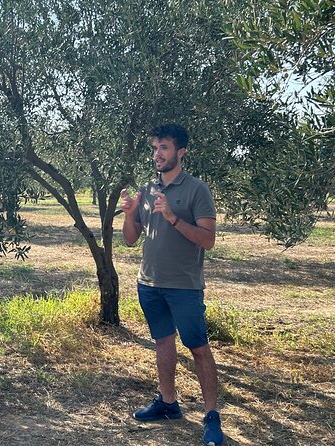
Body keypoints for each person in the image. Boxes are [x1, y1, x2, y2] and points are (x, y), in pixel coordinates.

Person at [120, 124, 224, 446]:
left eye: (164, 147)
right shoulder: (148, 189)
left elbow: (208, 241)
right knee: (163, 342)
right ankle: (168, 403)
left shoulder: (197, 190)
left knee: (198, 348)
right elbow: (130, 239)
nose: (157, 154)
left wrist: (174, 218)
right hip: (149, 283)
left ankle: (211, 416)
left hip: (184, 286)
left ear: (180, 152)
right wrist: (129, 214)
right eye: (154, 148)